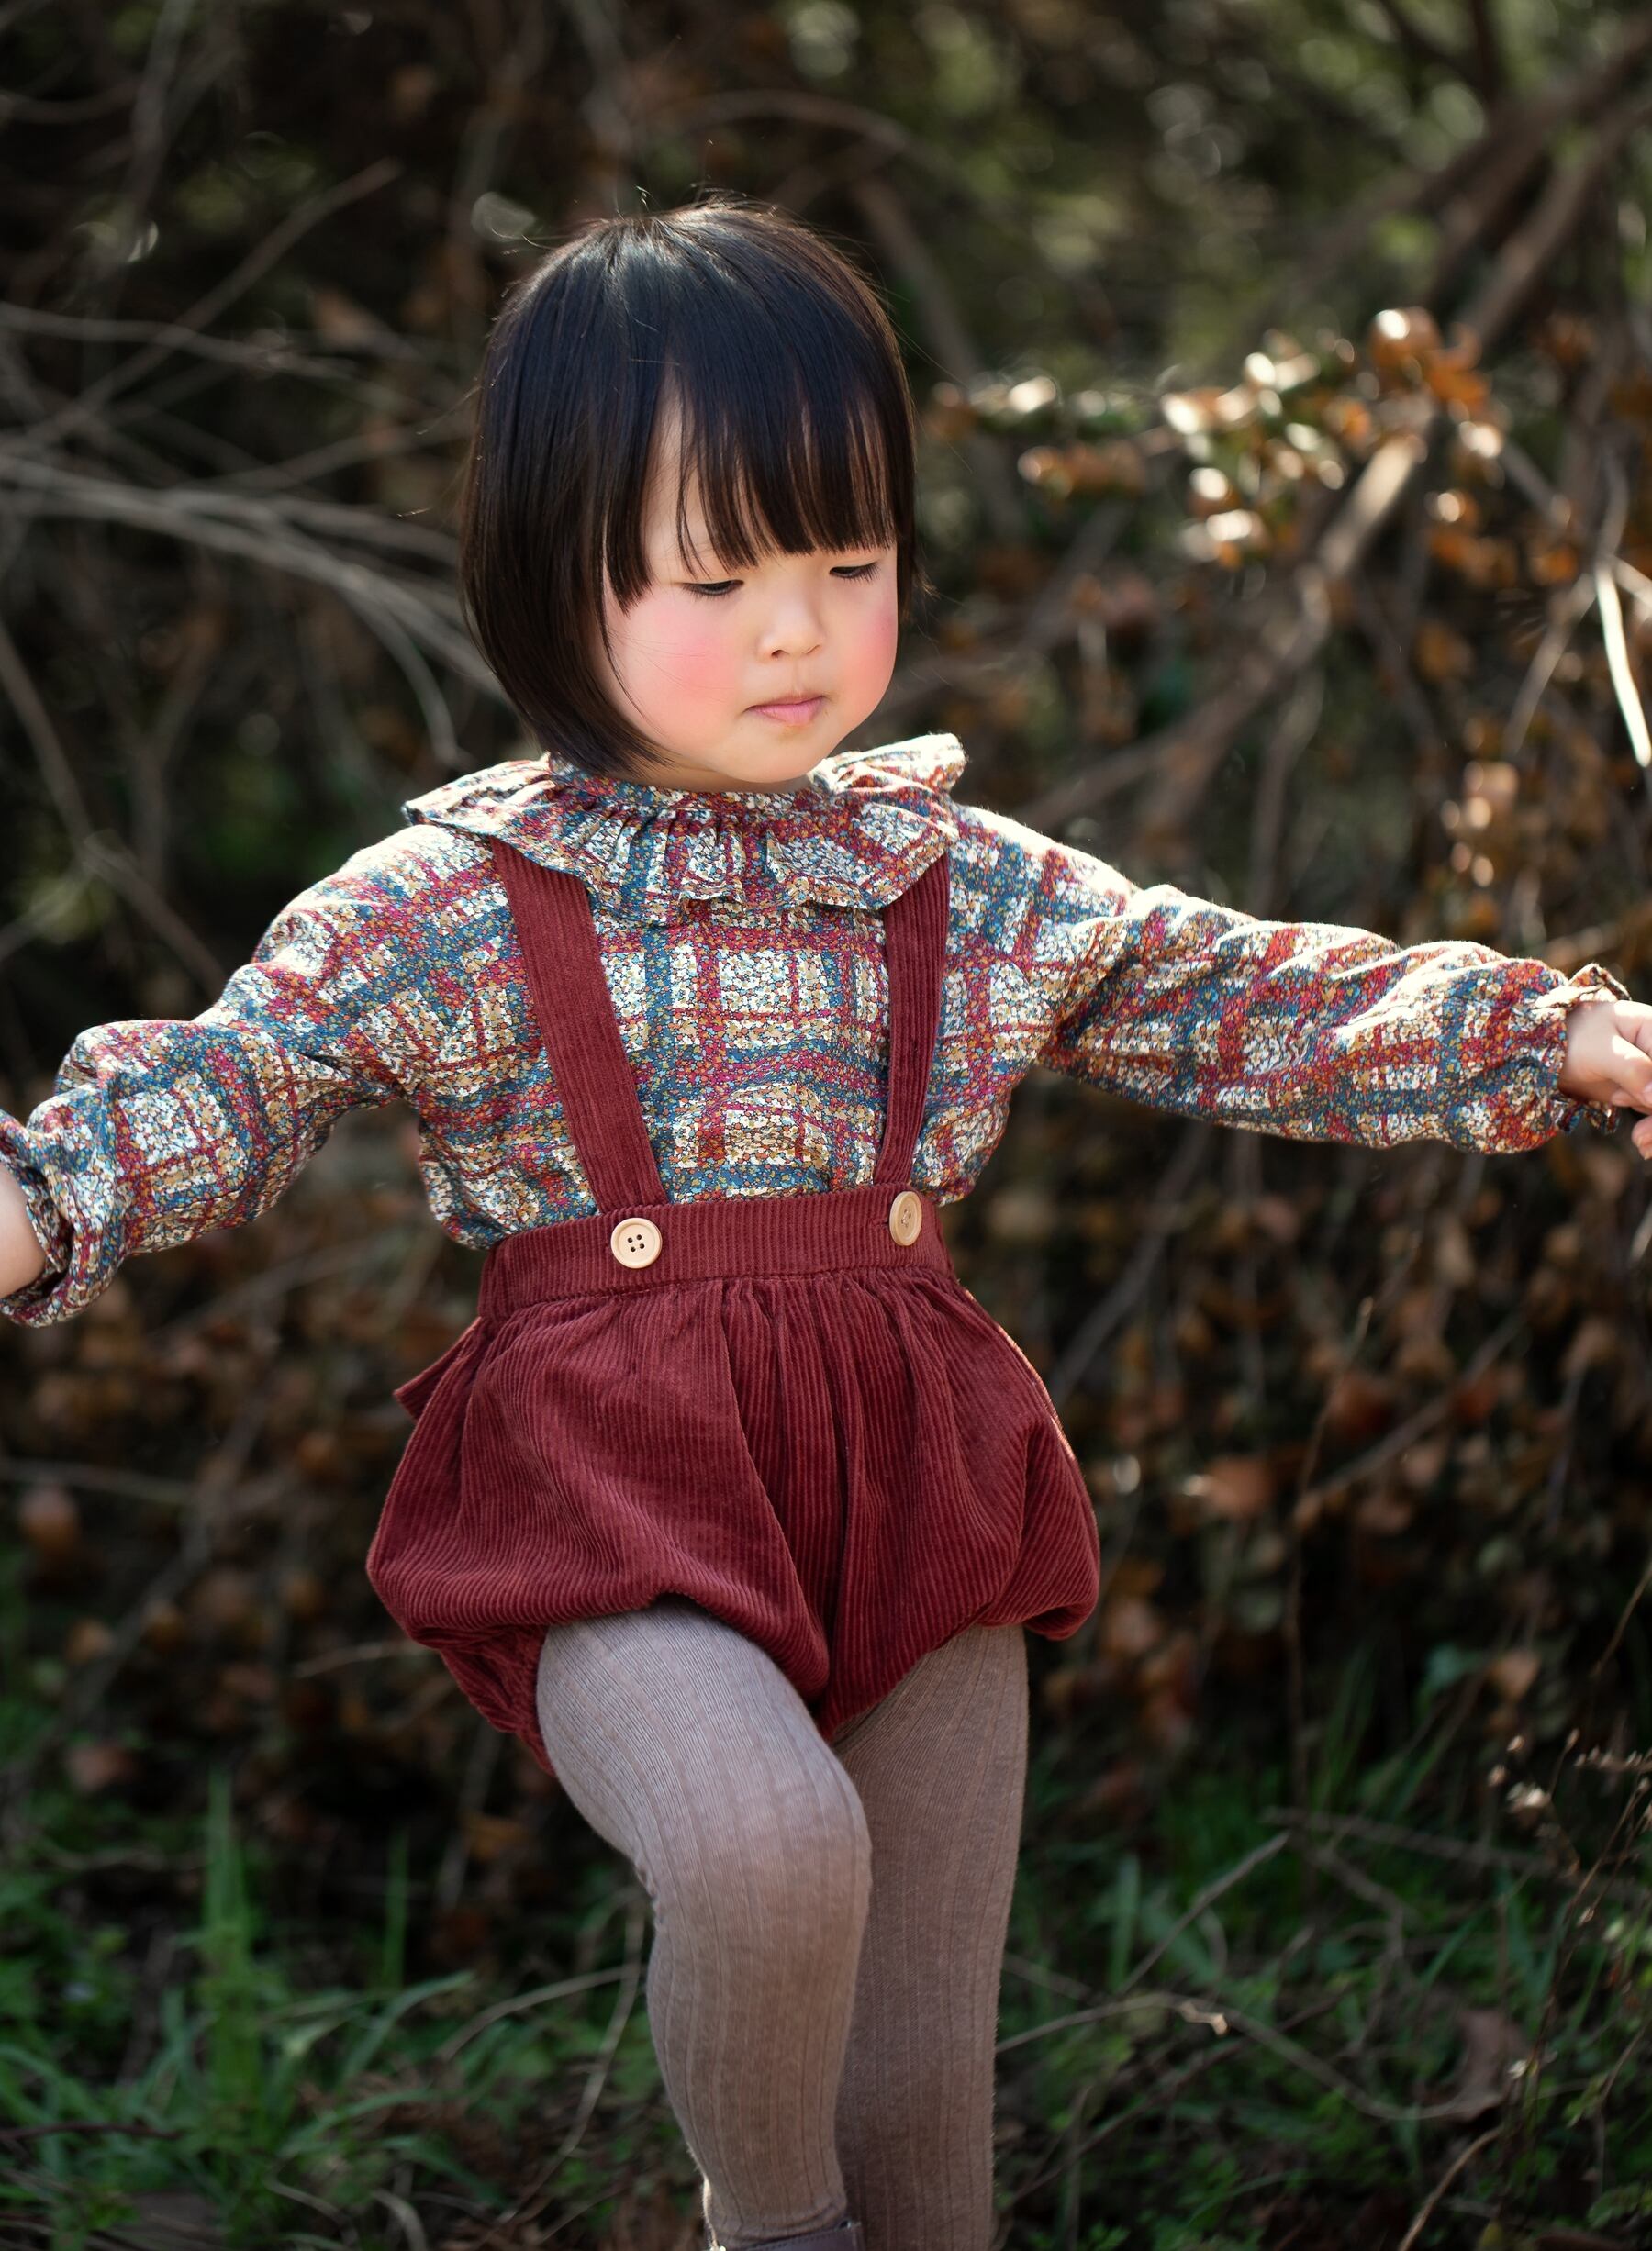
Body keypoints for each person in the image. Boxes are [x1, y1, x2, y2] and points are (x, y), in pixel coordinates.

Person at [3, 194, 1651, 2251]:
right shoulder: (451, 904)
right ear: (556, 577)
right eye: (721, 577)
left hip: (919, 1486)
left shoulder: (952, 873)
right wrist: (38, 1196)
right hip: (616, 1504)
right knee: (766, 1852)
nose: (798, 629)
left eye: (848, 561)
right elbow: (228, 1082)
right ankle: (763, 2229)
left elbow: (1233, 991)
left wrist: (1556, 1035)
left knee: (924, 2117)